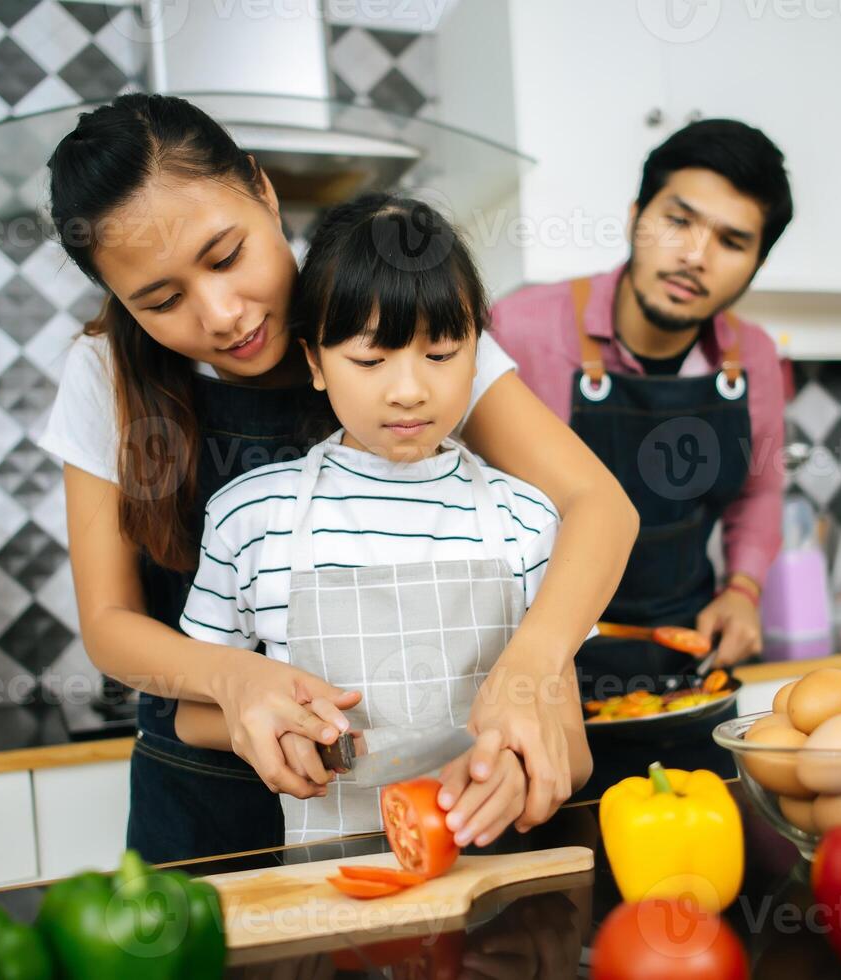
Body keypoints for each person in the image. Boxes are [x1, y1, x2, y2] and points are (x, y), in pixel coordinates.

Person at [36, 94, 636, 862]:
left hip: (428, 797)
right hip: (202, 800)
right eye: (162, 299)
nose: (220, 314)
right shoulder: (103, 373)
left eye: (226, 256)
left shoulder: (406, 328)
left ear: (261, 188)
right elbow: (110, 622)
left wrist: (528, 670)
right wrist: (234, 679)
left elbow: (598, 506)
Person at [171, 194, 592, 846]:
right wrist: (274, 728)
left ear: (478, 353)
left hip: (496, 879)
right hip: (327, 891)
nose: (408, 389)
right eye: (370, 361)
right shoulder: (250, 517)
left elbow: (572, 740)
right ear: (313, 363)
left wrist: (519, 767)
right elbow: (193, 715)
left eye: (442, 353)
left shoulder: (525, 518)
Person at [488, 119, 792, 795]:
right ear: (635, 217)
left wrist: (742, 591)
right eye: (678, 221)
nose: (695, 256)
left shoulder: (758, 358)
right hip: (539, 682)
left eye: (732, 241)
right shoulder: (518, 329)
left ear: (756, 263)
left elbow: (757, 492)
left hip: (687, 684)